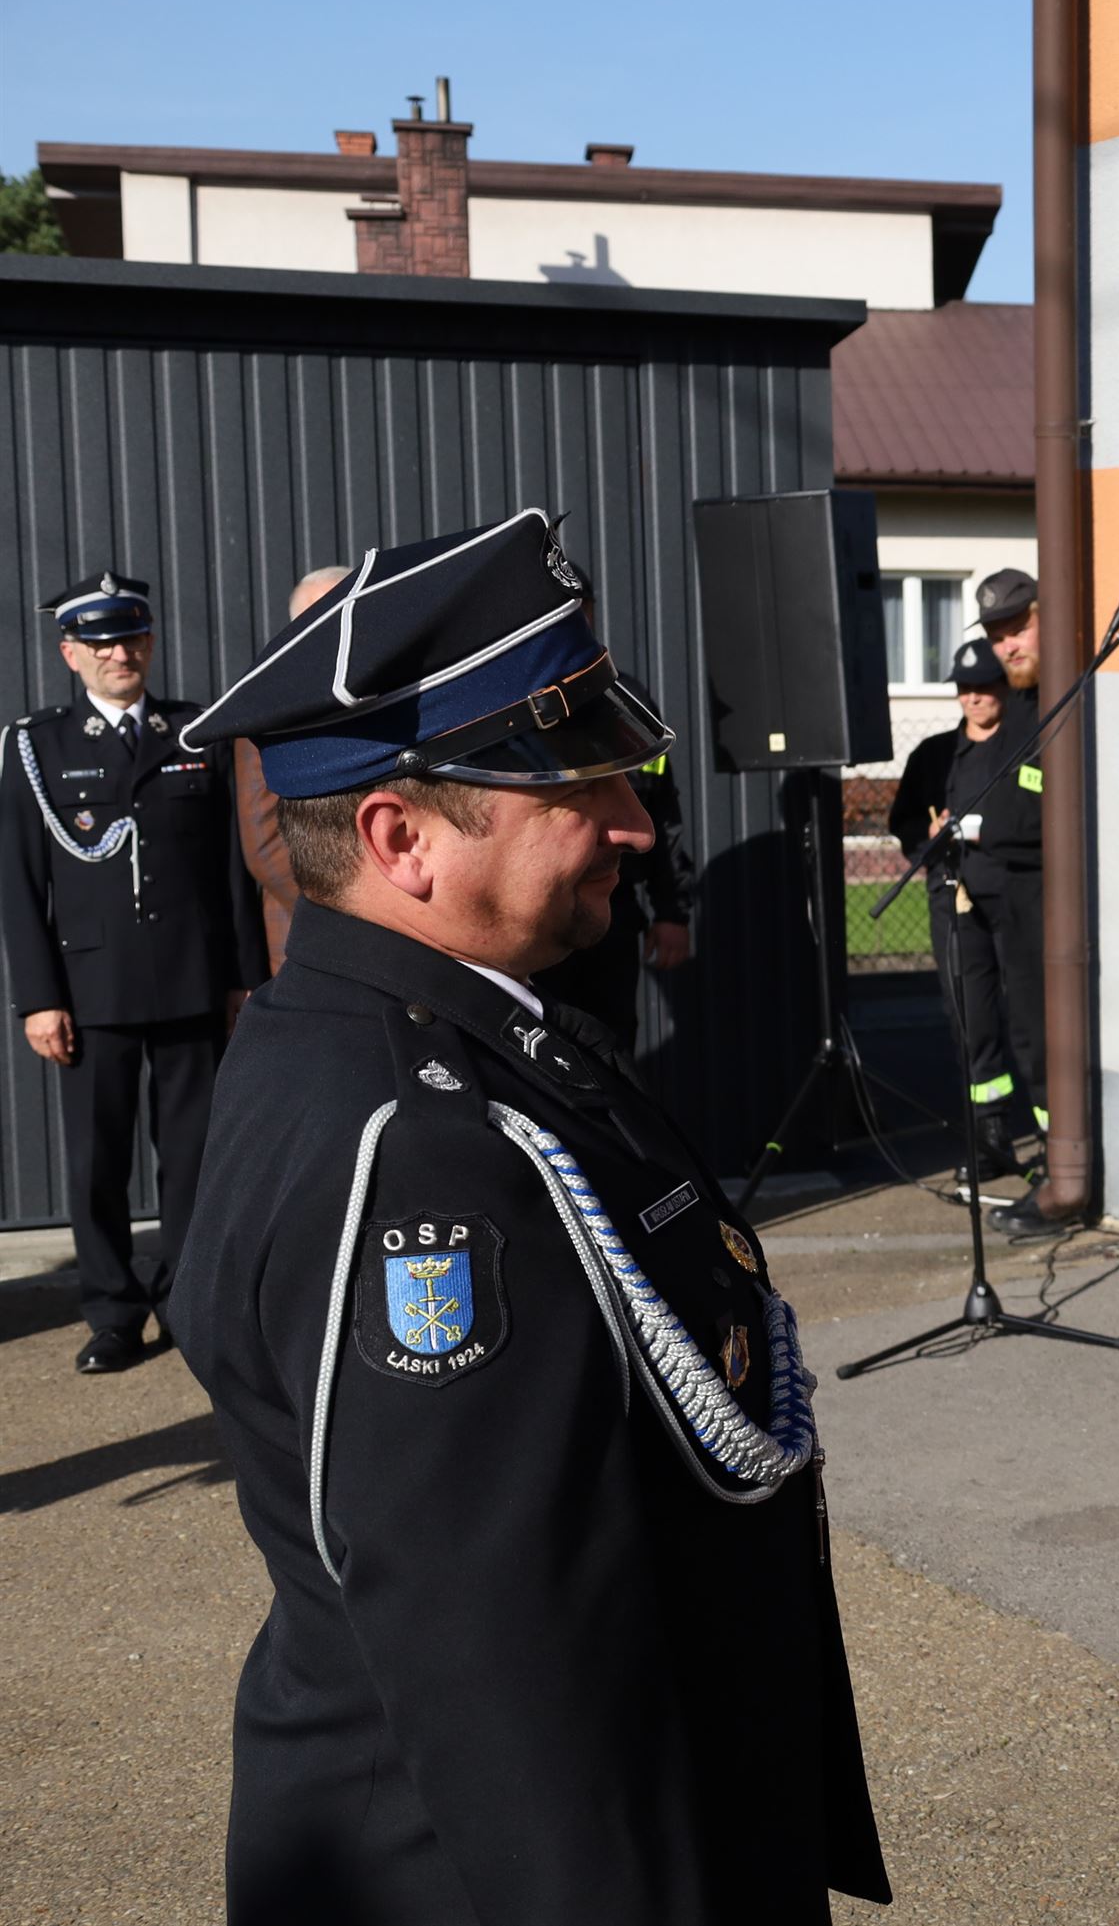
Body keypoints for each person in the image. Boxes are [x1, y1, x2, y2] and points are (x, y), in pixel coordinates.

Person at [170, 509, 888, 1924]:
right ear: (400, 838)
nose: (636, 822)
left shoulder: (434, 1037)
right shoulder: (428, 1154)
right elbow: (503, 1666)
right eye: (578, 788)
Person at [3, 569, 266, 1374]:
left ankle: (187, 1299)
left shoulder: (195, 732)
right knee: (97, 1162)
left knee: (193, 1157)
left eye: (134, 638)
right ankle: (113, 1312)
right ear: (70, 653)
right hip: (93, 990)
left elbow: (232, 871)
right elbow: (18, 883)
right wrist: (38, 998)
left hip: (192, 978)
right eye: (104, 643)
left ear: (150, 642)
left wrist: (244, 977)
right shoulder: (37, 746)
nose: (122, 653)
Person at [887, 601, 1057, 1235]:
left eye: (983, 686)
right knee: (972, 1019)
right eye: (963, 689)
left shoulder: (1024, 741)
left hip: (1017, 899)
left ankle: (1054, 1146)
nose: (973, 698)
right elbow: (904, 821)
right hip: (954, 902)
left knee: (1032, 1024)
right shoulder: (935, 754)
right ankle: (989, 1140)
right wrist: (926, 839)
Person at [534, 754, 696, 1053]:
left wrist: (672, 913)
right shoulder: (537, 726)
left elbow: (663, 824)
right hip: (541, 908)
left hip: (614, 910)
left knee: (612, 1036)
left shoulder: (637, 728)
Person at [230, 564, 351, 965]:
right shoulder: (267, 706)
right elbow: (265, 845)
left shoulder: (397, 689)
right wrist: (355, 908)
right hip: (312, 928)